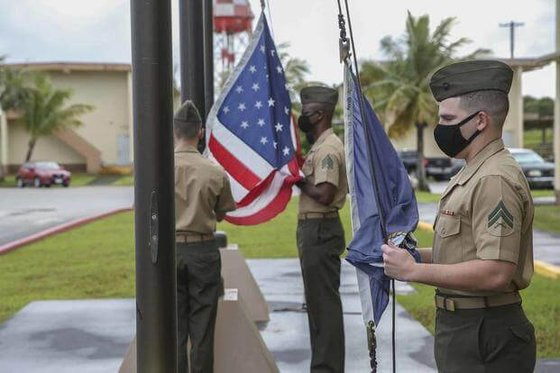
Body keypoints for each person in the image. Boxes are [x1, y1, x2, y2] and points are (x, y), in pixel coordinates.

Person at [382, 60, 536, 372]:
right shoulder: (474, 171)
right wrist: (411, 255)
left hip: (484, 331)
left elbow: (495, 272)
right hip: (465, 327)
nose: (442, 127)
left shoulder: (494, 179)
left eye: (449, 119)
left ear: (481, 120)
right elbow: (463, 251)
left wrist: (412, 271)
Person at [173, 100, 236, 373]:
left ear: (174, 131)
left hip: (169, 252)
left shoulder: (156, 168)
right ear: (200, 133)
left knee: (173, 328)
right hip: (203, 251)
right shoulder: (215, 171)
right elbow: (222, 212)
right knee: (203, 328)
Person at [296, 86, 347, 372]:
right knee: (317, 304)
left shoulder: (328, 148)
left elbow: (325, 194)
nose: (302, 118)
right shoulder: (320, 145)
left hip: (320, 229)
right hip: (315, 229)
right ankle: (323, 365)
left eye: (305, 113)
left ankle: (327, 368)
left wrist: (296, 180)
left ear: (319, 114)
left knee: (323, 306)